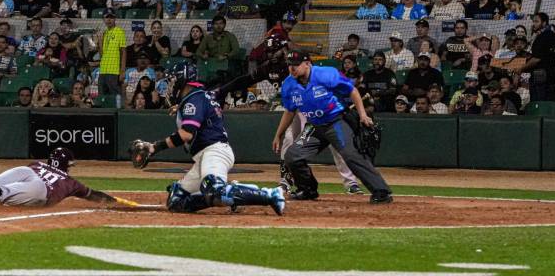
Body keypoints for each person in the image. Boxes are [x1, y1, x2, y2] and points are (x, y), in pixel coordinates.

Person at [130, 62, 284, 214]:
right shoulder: (200, 97)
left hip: (214, 151)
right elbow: (226, 89)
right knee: (176, 201)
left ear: (183, 80)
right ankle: (234, 195)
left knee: (214, 190)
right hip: (203, 157)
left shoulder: (194, 99)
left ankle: (270, 195)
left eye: (173, 80)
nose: (171, 85)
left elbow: (186, 133)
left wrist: (154, 147)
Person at [273, 50, 392, 203]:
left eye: (296, 64)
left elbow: (352, 91)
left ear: (308, 63)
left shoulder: (326, 74)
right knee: (292, 155)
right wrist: (278, 134)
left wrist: (362, 115)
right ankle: (307, 189)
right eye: (290, 65)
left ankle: (381, 191)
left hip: (336, 121)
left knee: (350, 155)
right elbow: (290, 111)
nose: (292, 68)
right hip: (314, 125)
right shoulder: (289, 84)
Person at [0, 145, 121, 206]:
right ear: (66, 165)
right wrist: (114, 202)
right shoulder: (71, 182)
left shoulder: (36, 164)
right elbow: (94, 196)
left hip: (27, 171)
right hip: (42, 190)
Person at [514, 13, 555, 101]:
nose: (534, 24)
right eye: (533, 21)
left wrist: (521, 68)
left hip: (541, 76)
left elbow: (537, 59)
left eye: (536, 21)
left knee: (538, 102)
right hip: (547, 74)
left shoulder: (545, 36)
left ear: (544, 23)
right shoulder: (549, 35)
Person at [98, 8, 127, 98]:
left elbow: (124, 52)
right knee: (103, 98)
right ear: (103, 19)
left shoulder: (119, 32)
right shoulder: (104, 33)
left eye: (111, 17)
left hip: (114, 71)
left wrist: (122, 71)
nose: (109, 20)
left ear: (115, 19)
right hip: (103, 71)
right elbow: (101, 54)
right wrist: (99, 42)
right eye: (107, 17)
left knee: (116, 98)